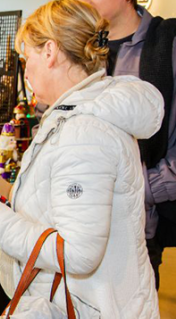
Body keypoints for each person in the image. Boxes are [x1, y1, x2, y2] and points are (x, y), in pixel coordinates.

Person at [0, 1, 162, 319]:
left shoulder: (84, 131)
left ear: (50, 51)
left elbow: (77, 252)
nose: (25, 72)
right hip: (93, 318)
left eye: (27, 58)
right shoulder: (79, 115)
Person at [84, 0, 176, 291]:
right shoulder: (79, 46)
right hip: (78, 223)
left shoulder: (168, 44)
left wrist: (143, 190)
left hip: (136, 228)